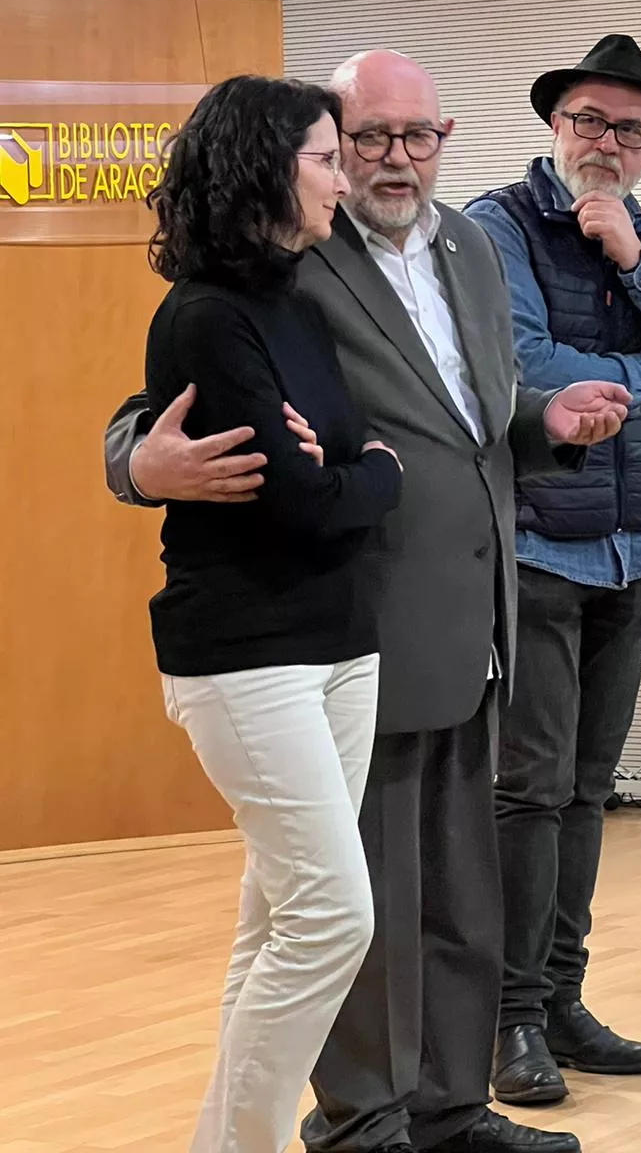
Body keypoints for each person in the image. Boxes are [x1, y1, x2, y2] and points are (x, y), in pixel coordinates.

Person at [107, 50, 632, 1153]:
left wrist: (546, 420)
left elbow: (467, 410)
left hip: (474, 604)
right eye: (367, 137)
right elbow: (165, 399)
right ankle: (363, 1118)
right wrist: (138, 465)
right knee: (357, 903)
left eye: (417, 136)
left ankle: (449, 1106)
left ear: (446, 137)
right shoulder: (288, 255)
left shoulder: (474, 249)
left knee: (457, 885)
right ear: (333, 149)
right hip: (344, 612)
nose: (393, 159)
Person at [465, 34, 641, 1107]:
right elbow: (525, 365)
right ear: (554, 124)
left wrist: (632, 257)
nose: (606, 142)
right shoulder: (496, 226)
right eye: (589, 120)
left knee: (589, 791)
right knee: (528, 790)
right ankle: (509, 1023)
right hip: (536, 539)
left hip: (631, 547)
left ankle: (563, 1000)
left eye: (631, 130)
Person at [141, 74, 404, 1153]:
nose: (344, 178)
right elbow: (307, 494)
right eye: (326, 157)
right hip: (246, 655)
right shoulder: (202, 316)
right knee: (334, 915)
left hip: (340, 640)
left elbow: (329, 465)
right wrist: (374, 475)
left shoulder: (295, 300)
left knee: (276, 918)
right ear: (265, 168)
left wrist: (350, 470)